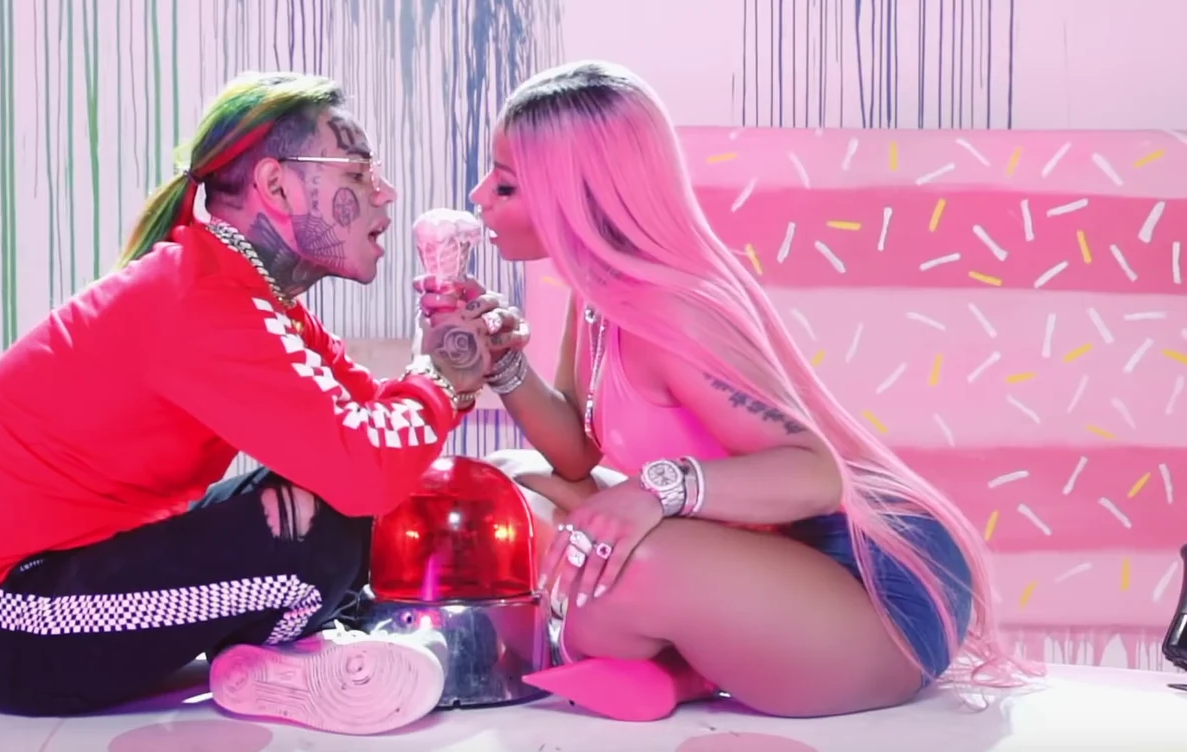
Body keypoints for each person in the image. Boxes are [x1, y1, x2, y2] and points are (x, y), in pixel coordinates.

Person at [0, 71, 522, 736]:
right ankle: (293, 654)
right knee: (317, 532)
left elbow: (378, 434)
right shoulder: (202, 300)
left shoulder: (245, 293)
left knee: (340, 508)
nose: (384, 191)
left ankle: (285, 656)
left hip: (58, 578)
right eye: (359, 171)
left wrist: (454, 362)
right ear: (276, 186)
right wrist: (441, 376)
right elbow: (368, 469)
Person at [418, 60, 1037, 723]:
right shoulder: (596, 297)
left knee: (624, 570)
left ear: (577, 194)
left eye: (506, 184)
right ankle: (680, 671)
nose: (479, 196)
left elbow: (816, 474)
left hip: (877, 591)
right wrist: (504, 364)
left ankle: (674, 668)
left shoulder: (671, 311)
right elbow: (574, 454)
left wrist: (654, 491)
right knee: (513, 481)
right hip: (775, 562)